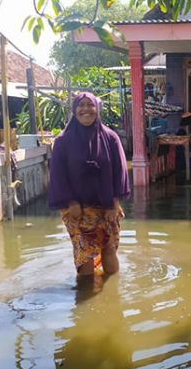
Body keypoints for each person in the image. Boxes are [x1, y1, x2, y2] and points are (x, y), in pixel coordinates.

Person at [48, 92, 130, 276]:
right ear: (74, 110)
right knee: (85, 255)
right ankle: (85, 296)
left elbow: (120, 172)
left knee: (109, 248)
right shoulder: (62, 141)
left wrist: (114, 204)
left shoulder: (111, 138)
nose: (86, 109)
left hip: (107, 206)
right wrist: (71, 203)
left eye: (90, 105)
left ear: (97, 109)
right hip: (77, 210)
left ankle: (112, 295)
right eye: (81, 105)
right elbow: (58, 176)